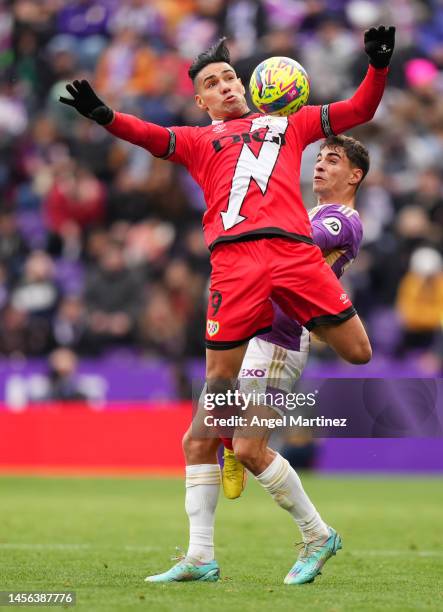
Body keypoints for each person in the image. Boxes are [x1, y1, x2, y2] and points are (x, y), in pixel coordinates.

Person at [59, 25, 395, 584]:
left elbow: (360, 108)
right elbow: (150, 136)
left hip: (291, 254)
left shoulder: (290, 123)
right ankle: (203, 550)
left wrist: (379, 65)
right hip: (234, 265)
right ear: (201, 100)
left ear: (247, 85)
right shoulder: (196, 140)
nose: (224, 86)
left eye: (229, 77)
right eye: (212, 83)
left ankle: (248, 460)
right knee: (213, 394)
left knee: (359, 352)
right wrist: (105, 116)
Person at [221, 134, 368, 501]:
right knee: (203, 438)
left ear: (355, 176)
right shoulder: (310, 213)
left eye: (333, 160)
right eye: (318, 158)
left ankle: (317, 533)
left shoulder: (343, 220)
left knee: (249, 449)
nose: (319, 165)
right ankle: (199, 551)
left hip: (281, 338)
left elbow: (301, 241)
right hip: (255, 328)